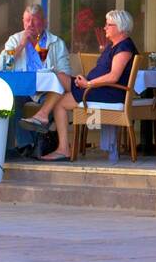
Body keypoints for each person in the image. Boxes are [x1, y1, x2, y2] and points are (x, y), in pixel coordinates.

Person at [42, 9, 138, 162]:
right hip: (96, 88)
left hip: (108, 92)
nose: (105, 28)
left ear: (120, 27)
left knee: (59, 103)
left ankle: (62, 147)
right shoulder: (113, 46)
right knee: (58, 77)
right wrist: (86, 82)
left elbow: (114, 76)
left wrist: (88, 83)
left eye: (108, 25)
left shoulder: (124, 48)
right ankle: (43, 116)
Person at [0, 5, 72, 158]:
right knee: (10, 101)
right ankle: (26, 145)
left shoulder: (56, 43)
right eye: (27, 21)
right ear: (23, 22)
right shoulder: (15, 39)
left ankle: (37, 141)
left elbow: (65, 72)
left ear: (44, 22)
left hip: (47, 91)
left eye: (34, 20)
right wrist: (21, 46)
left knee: (56, 100)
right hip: (23, 89)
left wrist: (37, 48)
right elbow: (2, 66)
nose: (30, 25)